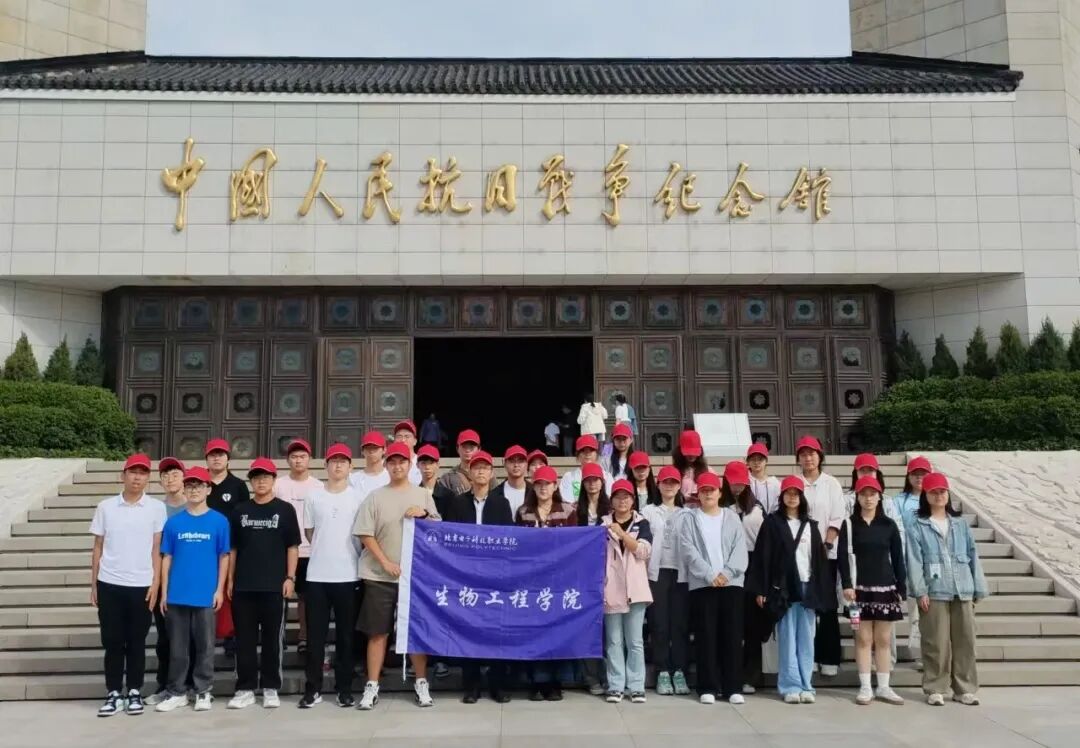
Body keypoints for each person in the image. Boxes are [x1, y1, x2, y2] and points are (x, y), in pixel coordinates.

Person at [353, 442, 441, 710]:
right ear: (386, 465)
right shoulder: (375, 496)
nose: (397, 466)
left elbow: (437, 528)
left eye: (402, 461)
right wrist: (385, 562)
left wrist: (424, 514)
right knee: (377, 632)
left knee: (414, 631)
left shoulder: (422, 494)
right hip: (379, 575)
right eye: (392, 462)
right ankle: (372, 685)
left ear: (409, 464)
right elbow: (365, 533)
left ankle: (421, 682)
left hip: (415, 576)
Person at [89, 453, 166, 717]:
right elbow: (98, 546)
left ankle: (134, 690)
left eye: (143, 473)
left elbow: (157, 548)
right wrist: (94, 584)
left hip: (141, 585)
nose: (137, 477)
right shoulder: (106, 507)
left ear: (148, 478)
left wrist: (156, 582)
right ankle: (113, 692)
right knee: (112, 641)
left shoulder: (156, 508)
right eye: (133, 472)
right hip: (109, 582)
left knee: (136, 641)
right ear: (123, 475)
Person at [748, 475, 835, 705]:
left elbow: (818, 561)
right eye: (788, 493)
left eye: (796, 493)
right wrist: (762, 589)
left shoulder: (811, 525)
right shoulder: (772, 523)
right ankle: (790, 685)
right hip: (784, 589)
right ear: (782, 496)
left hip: (808, 587)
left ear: (802, 497)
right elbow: (763, 557)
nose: (792, 497)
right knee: (787, 637)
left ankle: (806, 685)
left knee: (807, 637)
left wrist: (822, 591)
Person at [906, 473, 988, 707]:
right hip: (934, 591)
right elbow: (914, 560)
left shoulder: (960, 525)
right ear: (926, 495)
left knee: (966, 641)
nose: (939, 495)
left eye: (942, 491)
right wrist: (920, 591)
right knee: (936, 642)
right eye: (933, 492)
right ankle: (935, 687)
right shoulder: (918, 525)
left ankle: (965, 689)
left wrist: (978, 588)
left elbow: (973, 555)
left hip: (962, 589)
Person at [224, 458, 300, 710]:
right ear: (251, 481)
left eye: (265, 477)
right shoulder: (240, 511)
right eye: (256, 477)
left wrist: (290, 577)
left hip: (274, 586)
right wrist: (230, 579)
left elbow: (292, 547)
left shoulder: (285, 510)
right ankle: (244, 688)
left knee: (272, 641)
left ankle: (270, 687)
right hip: (244, 586)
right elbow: (233, 548)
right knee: (244, 640)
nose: (261, 481)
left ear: (274, 480)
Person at [154, 467, 230, 714]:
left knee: (205, 646)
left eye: (199, 486)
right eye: (190, 486)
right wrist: (164, 592)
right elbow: (166, 557)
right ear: (184, 490)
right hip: (177, 593)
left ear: (208, 489)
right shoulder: (174, 523)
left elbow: (224, 557)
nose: (194, 490)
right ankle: (177, 691)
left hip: (205, 594)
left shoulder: (219, 521)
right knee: (178, 648)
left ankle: (203, 690)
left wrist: (219, 590)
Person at [443, 450, 514, 703]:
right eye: (476, 467)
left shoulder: (501, 503)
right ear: (469, 473)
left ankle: (498, 685)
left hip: (495, 576)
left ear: (492, 473)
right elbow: (449, 537)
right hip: (466, 576)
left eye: (485, 467)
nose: (481, 471)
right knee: (468, 629)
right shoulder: (458, 503)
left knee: (497, 630)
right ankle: (471, 686)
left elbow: (509, 539)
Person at [300, 443, 364, 709]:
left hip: (348, 575)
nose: (338, 465)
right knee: (315, 637)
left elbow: (362, 534)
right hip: (317, 575)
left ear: (350, 466)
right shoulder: (314, 496)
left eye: (343, 461)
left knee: (346, 637)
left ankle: (344, 689)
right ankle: (312, 689)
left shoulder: (358, 497)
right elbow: (310, 532)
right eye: (333, 461)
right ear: (325, 465)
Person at [678, 471, 749, 705]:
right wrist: (709, 575)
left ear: (720, 493)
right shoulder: (690, 519)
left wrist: (727, 573)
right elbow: (688, 550)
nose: (708, 494)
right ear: (698, 494)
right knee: (706, 636)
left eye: (712, 490)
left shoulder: (732, 517)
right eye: (704, 490)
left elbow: (740, 549)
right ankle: (707, 686)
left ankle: (732, 686)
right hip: (703, 585)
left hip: (731, 584)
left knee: (732, 636)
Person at [838, 475, 907, 706]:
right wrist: (847, 584)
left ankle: (884, 686)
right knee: (863, 638)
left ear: (879, 497)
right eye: (864, 494)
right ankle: (865, 686)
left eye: (872, 494)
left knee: (884, 639)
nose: (868, 498)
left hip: (885, 587)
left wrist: (901, 586)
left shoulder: (889, 525)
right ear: (857, 497)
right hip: (858, 591)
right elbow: (842, 558)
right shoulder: (849, 525)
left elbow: (898, 558)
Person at [515, 465, 576, 700]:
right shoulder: (523, 512)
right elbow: (518, 545)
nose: (543, 488)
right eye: (539, 484)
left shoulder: (568, 511)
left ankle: (554, 682)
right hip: (532, 581)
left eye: (547, 484)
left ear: (555, 486)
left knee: (557, 630)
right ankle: (535, 681)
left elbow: (575, 544)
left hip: (559, 580)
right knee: (534, 630)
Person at [794, 435, 844, 677]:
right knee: (805, 606)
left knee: (827, 606)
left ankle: (829, 656)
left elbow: (837, 517)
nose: (808, 458)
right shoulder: (795, 483)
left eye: (812, 453)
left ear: (820, 456)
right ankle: (808, 655)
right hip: (800, 556)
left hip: (826, 554)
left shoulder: (831, 484)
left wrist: (827, 543)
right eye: (803, 454)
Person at [640, 465, 690, 697]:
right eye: (665, 482)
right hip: (656, 572)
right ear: (658, 485)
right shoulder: (648, 511)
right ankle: (662, 670)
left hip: (681, 574)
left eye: (673, 482)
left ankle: (679, 670)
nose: (669, 486)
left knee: (679, 624)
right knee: (659, 623)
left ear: (679, 486)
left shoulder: (687, 513)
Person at [602, 479, 653, 704]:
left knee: (635, 641)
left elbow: (643, 551)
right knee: (613, 641)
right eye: (618, 497)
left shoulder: (642, 523)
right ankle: (615, 686)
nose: (622, 501)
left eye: (626, 497)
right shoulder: (602, 524)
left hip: (636, 588)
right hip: (611, 587)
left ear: (633, 500)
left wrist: (622, 534)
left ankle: (636, 686)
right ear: (611, 500)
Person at [274, 439, 322, 657]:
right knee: (279, 595)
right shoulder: (278, 485)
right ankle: (279, 637)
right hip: (282, 550)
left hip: (310, 550)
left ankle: (304, 637)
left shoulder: (318, 486)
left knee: (306, 597)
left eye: (302, 456)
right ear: (288, 460)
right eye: (294, 456)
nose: (298, 460)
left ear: (309, 459)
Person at [145, 457, 187, 707]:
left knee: (191, 638)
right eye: (165, 475)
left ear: (184, 478)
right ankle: (165, 685)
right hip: (162, 580)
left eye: (175, 474)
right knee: (165, 639)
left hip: (189, 579)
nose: (170, 479)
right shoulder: (155, 509)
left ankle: (190, 685)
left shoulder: (194, 507)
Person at [722, 461, 767, 695]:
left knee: (751, 626)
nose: (737, 488)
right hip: (726, 567)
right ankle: (728, 674)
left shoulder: (756, 509)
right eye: (733, 483)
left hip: (751, 568)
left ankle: (750, 676)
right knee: (729, 626)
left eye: (741, 483)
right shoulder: (721, 507)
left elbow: (764, 546)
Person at [204, 438, 247, 659]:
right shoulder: (199, 483)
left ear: (228, 458)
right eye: (212, 455)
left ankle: (231, 636)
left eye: (220, 454)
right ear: (206, 459)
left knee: (230, 592)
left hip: (230, 548)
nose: (216, 458)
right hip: (203, 546)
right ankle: (205, 635)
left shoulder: (238, 486)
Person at [892, 455, 932, 661]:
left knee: (931, 611)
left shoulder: (934, 499)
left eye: (923, 474)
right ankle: (918, 653)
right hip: (908, 561)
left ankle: (930, 653)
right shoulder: (899, 501)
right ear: (908, 477)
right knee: (914, 611)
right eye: (915, 474)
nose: (919, 478)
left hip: (931, 563)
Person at [559, 435, 614, 502]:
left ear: (597, 454)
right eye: (583, 450)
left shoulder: (607, 476)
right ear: (577, 454)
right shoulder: (569, 477)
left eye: (591, 450)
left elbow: (610, 499)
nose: (587, 453)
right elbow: (567, 500)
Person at [435, 429, 485, 498]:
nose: (467, 450)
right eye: (464, 446)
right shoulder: (448, 478)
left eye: (471, 447)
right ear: (457, 449)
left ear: (479, 449)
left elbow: (496, 498)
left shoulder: (486, 475)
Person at [349, 431, 390, 500]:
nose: (371, 451)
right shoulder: (353, 479)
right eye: (368, 448)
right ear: (362, 451)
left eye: (375, 448)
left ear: (384, 450)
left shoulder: (391, 477)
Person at [490, 444, 529, 517]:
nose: (516, 465)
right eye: (512, 461)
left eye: (520, 461)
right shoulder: (495, 494)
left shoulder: (534, 492)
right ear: (504, 463)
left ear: (527, 464)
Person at [672, 430, 709, 506]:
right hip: (680, 508)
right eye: (688, 452)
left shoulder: (708, 471)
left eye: (694, 452)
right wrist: (683, 498)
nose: (691, 455)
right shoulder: (674, 471)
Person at [746, 443, 780, 515]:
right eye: (753, 459)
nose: (756, 462)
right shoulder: (745, 481)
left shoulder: (775, 483)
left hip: (771, 520)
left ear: (766, 461)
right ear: (748, 462)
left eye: (760, 459)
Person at [574, 462, 611, 527]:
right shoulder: (575, 507)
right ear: (583, 483)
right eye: (588, 480)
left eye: (595, 480)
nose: (592, 483)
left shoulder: (611, 507)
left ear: (602, 482)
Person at [392, 419, 424, 485]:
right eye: (399, 436)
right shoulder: (387, 464)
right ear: (394, 440)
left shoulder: (422, 463)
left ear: (415, 441)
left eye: (407, 436)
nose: (403, 440)